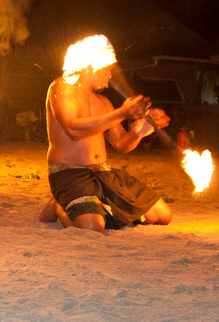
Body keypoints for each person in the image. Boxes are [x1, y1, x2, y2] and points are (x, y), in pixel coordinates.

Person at [37, 35, 172, 233]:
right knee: (92, 227)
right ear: (91, 64)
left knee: (163, 215)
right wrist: (122, 113)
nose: (110, 75)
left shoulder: (103, 102)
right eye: (107, 68)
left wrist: (139, 131)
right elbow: (73, 129)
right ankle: (59, 206)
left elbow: (122, 144)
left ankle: (90, 206)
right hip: (70, 174)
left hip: (103, 174)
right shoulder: (61, 88)